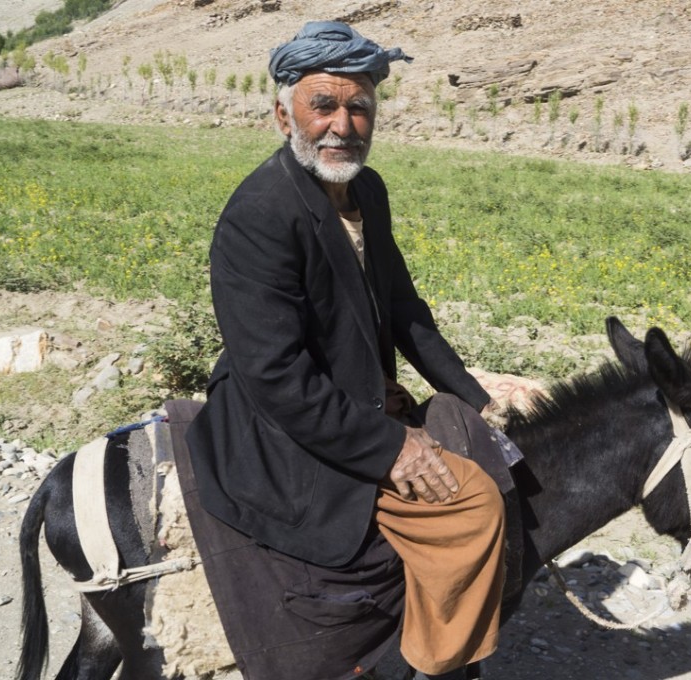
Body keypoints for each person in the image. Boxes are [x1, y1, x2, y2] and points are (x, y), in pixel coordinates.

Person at [186, 21, 507, 680]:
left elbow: (406, 316)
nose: (342, 124)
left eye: (358, 106)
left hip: (349, 394)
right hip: (275, 422)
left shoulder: (368, 191)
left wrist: (479, 397)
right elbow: (276, 376)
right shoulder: (260, 215)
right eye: (322, 105)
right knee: (474, 503)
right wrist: (391, 445)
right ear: (284, 115)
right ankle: (402, 666)